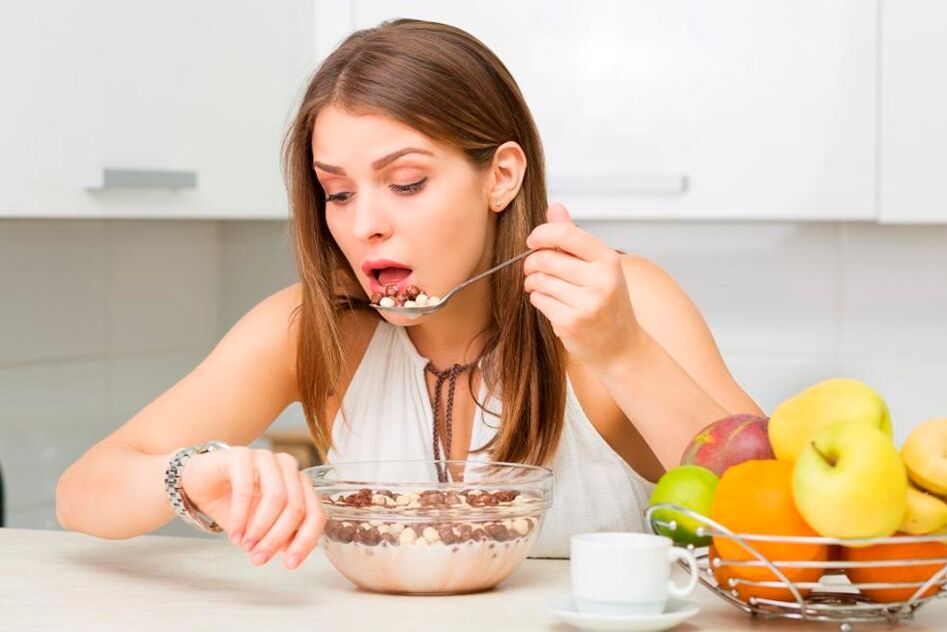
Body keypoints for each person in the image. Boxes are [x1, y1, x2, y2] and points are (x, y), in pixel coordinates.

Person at [56, 19, 762, 569]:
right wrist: (191, 476)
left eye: (406, 183)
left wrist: (624, 351)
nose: (365, 225)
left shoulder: (619, 304)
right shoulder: (314, 330)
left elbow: (782, 526)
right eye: (337, 191)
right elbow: (83, 491)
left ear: (501, 177)